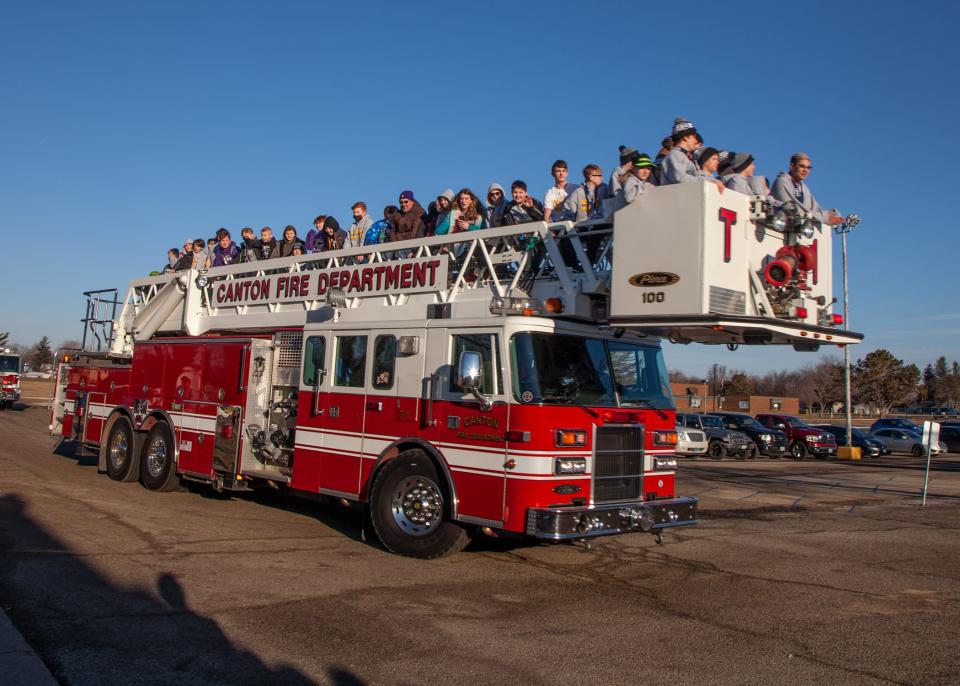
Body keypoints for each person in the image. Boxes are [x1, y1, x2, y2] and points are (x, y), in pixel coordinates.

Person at [771, 152, 843, 225]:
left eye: (808, 168)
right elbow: (793, 210)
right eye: (802, 166)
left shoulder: (804, 188)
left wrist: (831, 215)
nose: (805, 170)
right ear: (792, 166)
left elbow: (816, 209)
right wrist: (823, 217)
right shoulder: (782, 181)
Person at [660, 117, 724, 193]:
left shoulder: (683, 156)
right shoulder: (675, 154)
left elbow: (695, 177)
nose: (696, 140)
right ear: (686, 137)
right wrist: (708, 181)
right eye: (694, 137)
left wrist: (713, 180)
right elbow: (680, 178)